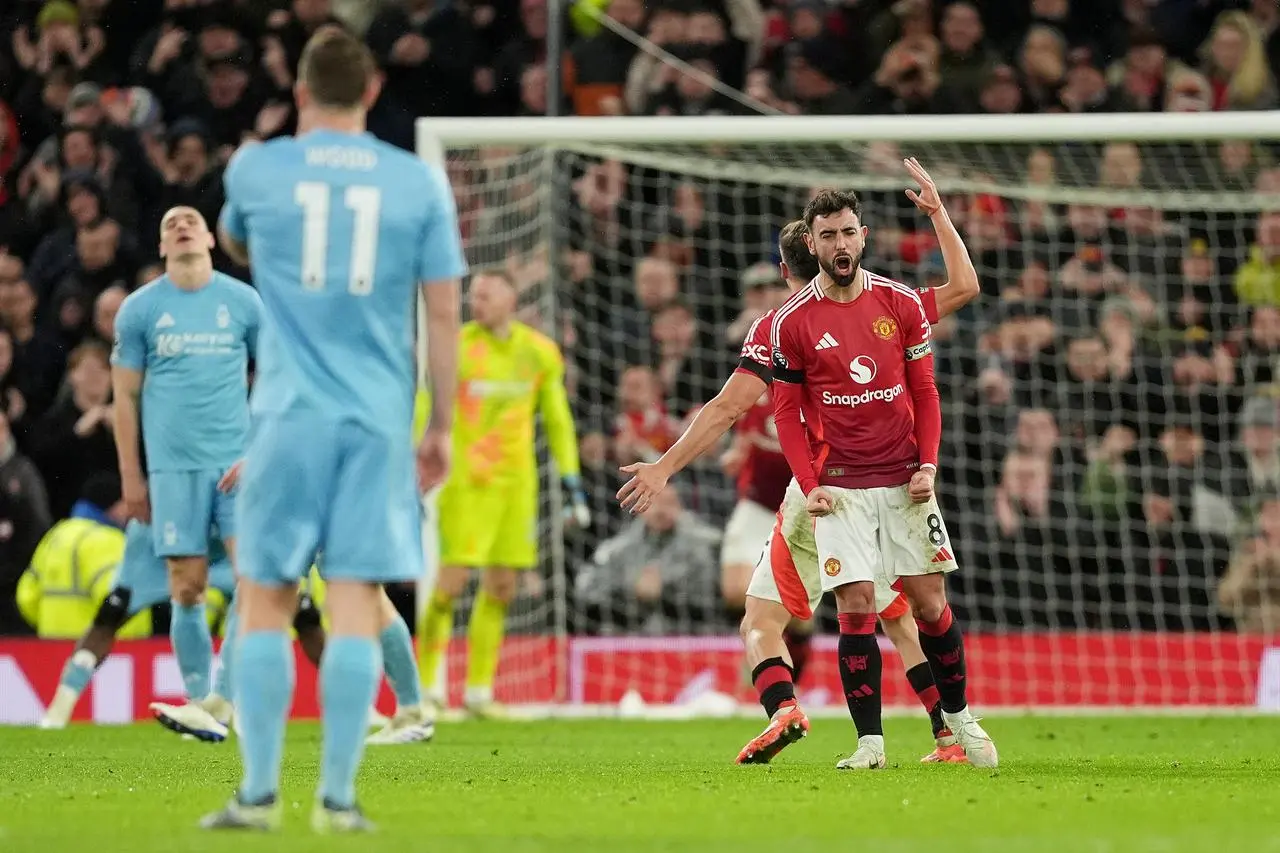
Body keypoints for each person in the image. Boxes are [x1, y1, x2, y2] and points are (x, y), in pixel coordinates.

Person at [616, 162, 980, 766]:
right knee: (901, 617)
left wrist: (663, 467)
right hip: (874, 486)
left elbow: (730, 406)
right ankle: (947, 733)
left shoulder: (781, 329)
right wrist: (940, 215)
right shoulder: (873, 305)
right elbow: (964, 289)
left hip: (817, 496)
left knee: (760, 621)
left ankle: (788, 707)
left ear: (789, 267)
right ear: (819, 248)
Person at [203, 26, 464, 832]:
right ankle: (339, 800)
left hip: (284, 418)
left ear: (300, 92)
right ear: (374, 90)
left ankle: (255, 795)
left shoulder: (256, 165)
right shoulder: (417, 182)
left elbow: (238, 239)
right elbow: (444, 309)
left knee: (266, 599)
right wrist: (441, 424)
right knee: (355, 600)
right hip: (377, 421)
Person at [767, 170, 997, 770]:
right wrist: (811, 486)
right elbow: (785, 415)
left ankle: (959, 718)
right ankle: (870, 742)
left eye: (848, 232)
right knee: (857, 608)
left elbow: (926, 390)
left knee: (928, 604)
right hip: (839, 489)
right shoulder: (790, 323)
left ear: (863, 236)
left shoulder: (900, 302)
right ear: (811, 244)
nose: (840, 244)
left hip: (903, 482)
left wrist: (928, 464)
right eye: (828, 236)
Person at [110, 204, 260, 732]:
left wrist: (259, 447)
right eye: (169, 222)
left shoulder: (243, 302)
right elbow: (124, 397)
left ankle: (221, 698)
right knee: (188, 587)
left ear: (211, 240)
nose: (180, 225)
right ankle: (204, 707)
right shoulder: (139, 310)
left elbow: (276, 376)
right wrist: (132, 475)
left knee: (255, 578)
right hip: (174, 471)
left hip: (237, 465)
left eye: (190, 220)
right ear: (160, 247)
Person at [418, 268, 587, 718]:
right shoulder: (456, 347)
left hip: (517, 487)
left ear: (512, 299)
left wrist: (571, 479)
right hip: (464, 485)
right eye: (475, 296)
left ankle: (477, 692)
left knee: (501, 587)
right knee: (449, 586)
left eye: (488, 295)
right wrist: (418, 463)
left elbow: (557, 419)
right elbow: (427, 408)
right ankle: (427, 687)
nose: (479, 303)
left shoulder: (538, 354)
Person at [40, 519, 236, 733]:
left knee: (115, 611)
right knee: (116, 610)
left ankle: (213, 707)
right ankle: (210, 705)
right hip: (180, 535)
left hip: (190, 535)